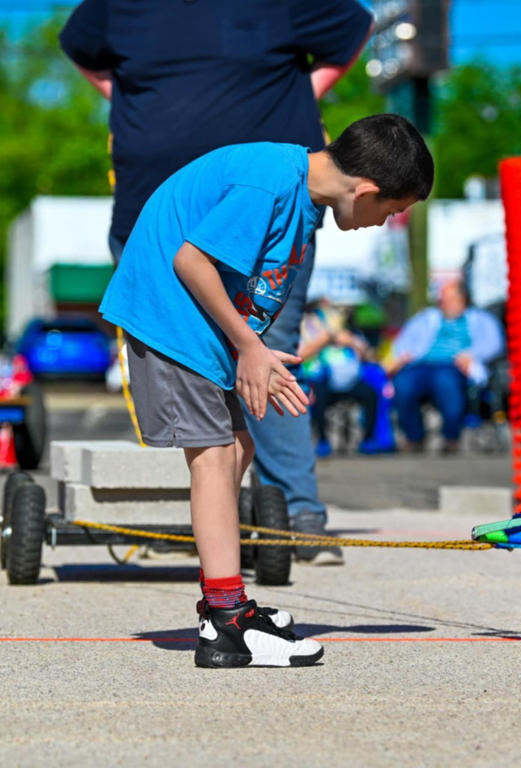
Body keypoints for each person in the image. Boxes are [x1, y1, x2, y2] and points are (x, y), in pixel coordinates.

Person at [97, 114, 434, 667]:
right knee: (214, 457)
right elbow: (190, 260)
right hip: (168, 321)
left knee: (239, 447)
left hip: (200, 331)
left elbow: (244, 282)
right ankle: (226, 623)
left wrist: (250, 351)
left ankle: (223, 598)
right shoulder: (269, 183)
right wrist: (249, 347)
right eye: (391, 212)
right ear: (366, 191)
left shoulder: (301, 197)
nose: (382, 224)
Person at [59, 0, 373, 565]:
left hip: (274, 215)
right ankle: (196, 527)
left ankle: (294, 512)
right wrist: (128, 100)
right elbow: (79, 45)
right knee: (179, 373)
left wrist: (302, 95)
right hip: (155, 214)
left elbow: (355, 26)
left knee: (270, 356)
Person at [389, 279, 504, 453]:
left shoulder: (481, 319)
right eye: (442, 299)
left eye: (449, 299)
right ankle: (414, 437)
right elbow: (403, 342)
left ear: (462, 300)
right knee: (403, 384)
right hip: (421, 364)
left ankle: (451, 437)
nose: (444, 303)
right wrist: (405, 354)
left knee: (446, 383)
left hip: (454, 365)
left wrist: (472, 355)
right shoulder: (425, 318)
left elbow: (494, 344)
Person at [300, 300, 394, 459]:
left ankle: (369, 439)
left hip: (351, 382)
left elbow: (370, 356)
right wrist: (325, 341)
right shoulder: (312, 332)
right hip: (325, 381)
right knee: (318, 397)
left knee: (371, 394)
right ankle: (323, 441)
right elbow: (302, 356)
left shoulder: (352, 334)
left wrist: (352, 343)